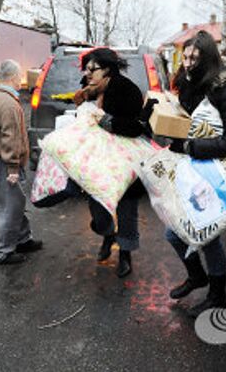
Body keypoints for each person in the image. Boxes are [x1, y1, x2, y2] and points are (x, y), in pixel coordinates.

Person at [167, 31, 226, 317]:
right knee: (179, 232)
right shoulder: (190, 85)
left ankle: (217, 295)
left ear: (208, 60)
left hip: (216, 172)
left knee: (201, 235)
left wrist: (191, 146)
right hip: (194, 170)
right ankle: (202, 280)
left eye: (194, 59)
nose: (188, 63)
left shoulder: (225, 89)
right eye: (185, 57)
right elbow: (190, 124)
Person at [73, 47, 146, 278]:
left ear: (108, 70)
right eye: (86, 69)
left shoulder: (128, 90)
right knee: (97, 206)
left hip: (124, 159)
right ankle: (107, 234)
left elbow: (137, 127)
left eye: (92, 69)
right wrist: (81, 106)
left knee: (126, 209)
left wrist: (106, 122)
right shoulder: (89, 89)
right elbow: (83, 120)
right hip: (97, 159)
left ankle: (125, 254)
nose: (88, 74)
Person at [0, 60, 43, 265]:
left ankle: (22, 239)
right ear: (13, 77)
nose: (21, 80)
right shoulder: (8, 103)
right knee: (10, 206)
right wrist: (13, 167)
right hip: (2, 161)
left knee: (15, 202)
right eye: (19, 76)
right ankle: (1, 253)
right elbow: (11, 138)